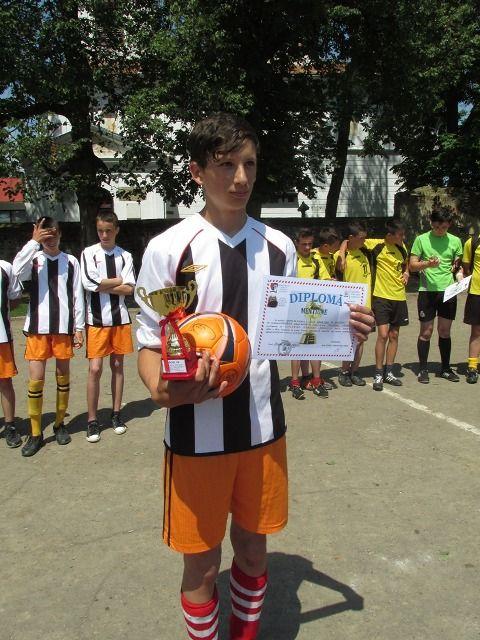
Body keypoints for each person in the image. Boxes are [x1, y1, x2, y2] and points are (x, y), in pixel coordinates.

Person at [135, 112, 374, 640]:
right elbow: (150, 343)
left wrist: (344, 331)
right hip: (196, 435)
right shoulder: (167, 249)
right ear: (197, 171)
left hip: (263, 431)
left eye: (249, 164)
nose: (240, 178)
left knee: (252, 547)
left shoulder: (279, 247)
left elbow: (296, 332)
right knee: (202, 565)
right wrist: (158, 386)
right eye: (226, 165)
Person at [12, 217, 84, 457]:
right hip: (38, 329)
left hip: (62, 328)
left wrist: (79, 327)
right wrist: (33, 242)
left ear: (60, 234)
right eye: (45, 235)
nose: (50, 239)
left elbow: (77, 295)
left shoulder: (71, 261)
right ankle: (35, 433)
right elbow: (15, 271)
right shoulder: (34, 259)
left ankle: (59, 424)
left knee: (63, 378)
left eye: (53, 234)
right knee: (36, 381)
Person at [81, 210, 135, 442]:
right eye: (100, 231)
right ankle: (92, 420)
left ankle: (116, 414)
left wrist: (103, 285)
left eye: (108, 231)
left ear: (116, 230)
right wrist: (118, 281)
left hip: (119, 319)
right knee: (95, 369)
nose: (104, 235)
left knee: (117, 366)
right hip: (96, 320)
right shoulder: (88, 253)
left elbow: (130, 288)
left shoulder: (125, 256)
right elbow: (88, 283)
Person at [409, 209, 463, 383]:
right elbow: (412, 265)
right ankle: (422, 369)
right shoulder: (421, 239)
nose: (440, 230)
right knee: (426, 331)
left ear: (449, 225)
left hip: (448, 291)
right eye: (437, 226)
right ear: (431, 223)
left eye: (444, 227)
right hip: (427, 291)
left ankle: (445, 369)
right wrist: (427, 264)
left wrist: (459, 275)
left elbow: (457, 266)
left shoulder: (455, 241)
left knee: (444, 331)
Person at [365, 220, 410, 391]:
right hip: (381, 297)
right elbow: (348, 242)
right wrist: (340, 252)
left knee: (394, 335)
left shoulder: (402, 247)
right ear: (390, 235)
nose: (403, 237)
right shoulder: (376, 245)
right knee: (383, 335)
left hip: (399, 296)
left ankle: (389, 372)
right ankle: (378, 372)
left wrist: (407, 272)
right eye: (400, 235)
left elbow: (406, 263)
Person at [289, 228, 330, 400]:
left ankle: (316, 380)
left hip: (313, 310)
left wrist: (331, 282)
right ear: (296, 243)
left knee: (314, 345)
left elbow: (325, 279)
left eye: (310, 244)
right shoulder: (291, 260)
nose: (307, 247)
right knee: (297, 347)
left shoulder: (316, 260)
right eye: (304, 244)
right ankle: (295, 382)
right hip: (295, 310)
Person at [335, 221, 371, 387]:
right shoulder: (340, 256)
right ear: (351, 237)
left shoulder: (366, 250)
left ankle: (355, 371)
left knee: (361, 340)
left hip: (366, 305)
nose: (364, 240)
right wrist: (342, 252)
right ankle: (344, 371)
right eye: (361, 238)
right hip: (350, 306)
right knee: (349, 339)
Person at [0, 258, 23, 448]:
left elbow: (15, 299)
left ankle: (10, 426)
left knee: (5, 381)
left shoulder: (5, 267)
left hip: (1, 336)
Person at [461, 231, 480, 383]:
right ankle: (472, 367)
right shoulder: (472, 242)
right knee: (476, 331)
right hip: (477, 292)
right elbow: (466, 268)